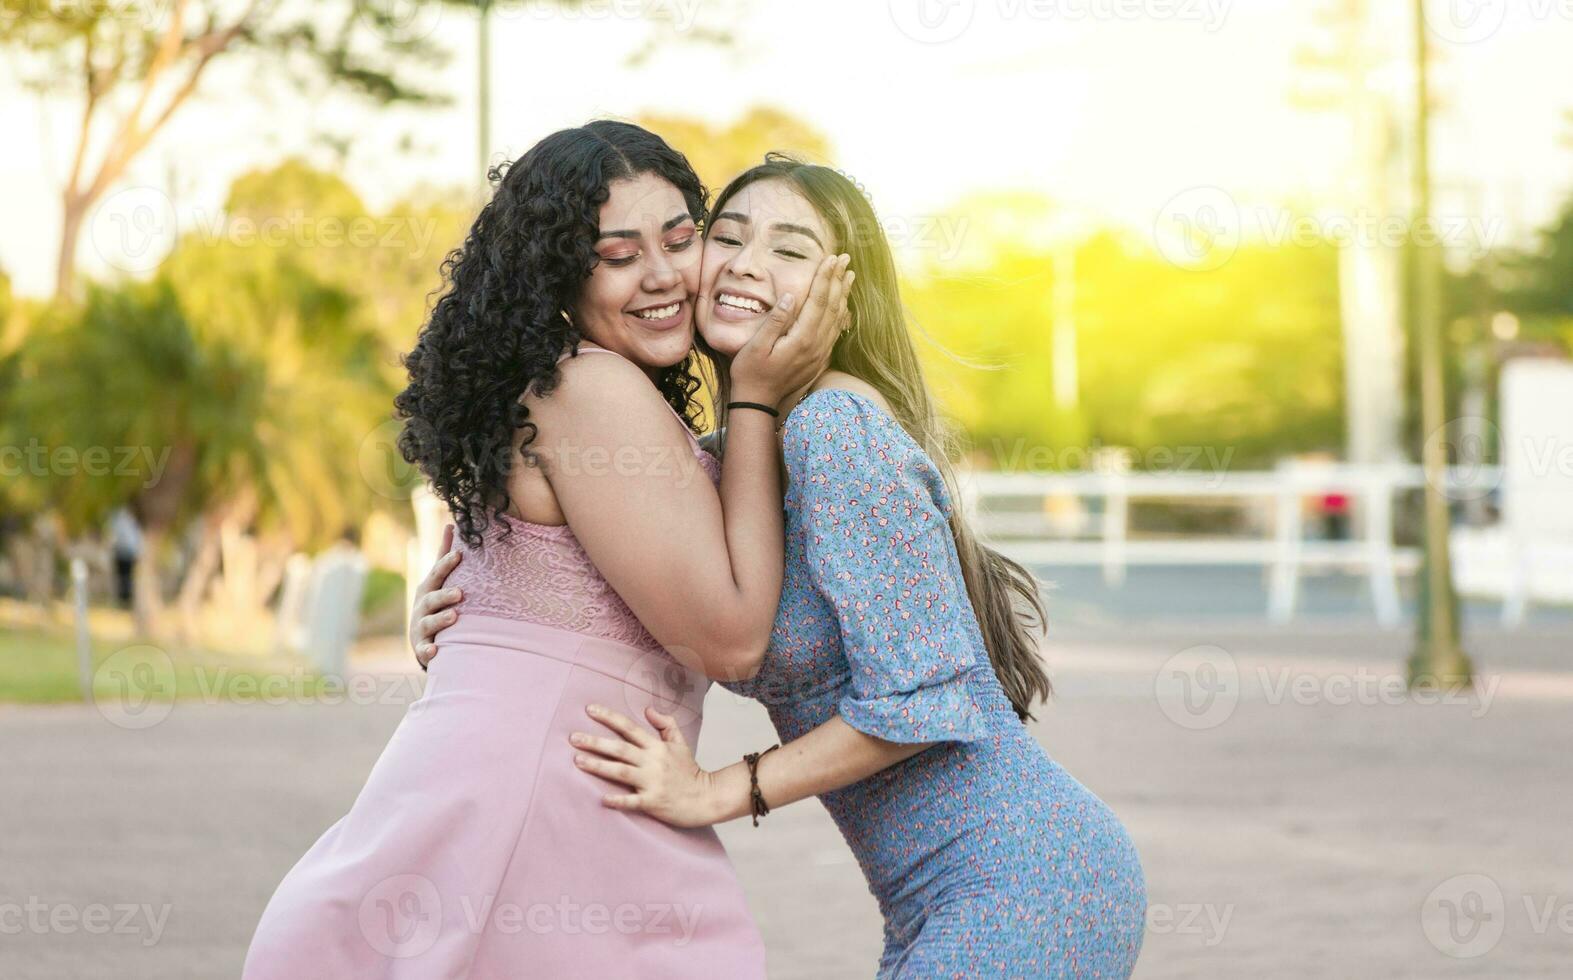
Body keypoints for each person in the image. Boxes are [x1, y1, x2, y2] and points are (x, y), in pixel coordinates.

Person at [415, 155, 1147, 977]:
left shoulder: (830, 427)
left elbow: (930, 696)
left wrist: (718, 791)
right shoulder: (743, 458)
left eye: (791, 250)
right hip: (934, 899)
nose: (747, 264)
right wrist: (459, 602)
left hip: (1027, 884)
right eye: (725, 236)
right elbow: (606, 551)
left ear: (843, 296)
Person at [242, 123, 849, 979]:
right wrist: (754, 400)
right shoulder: (591, 388)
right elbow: (730, 639)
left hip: (527, 792)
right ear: (560, 274)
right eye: (618, 254)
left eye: (681, 239)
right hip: (546, 803)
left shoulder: (568, 384)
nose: (665, 275)